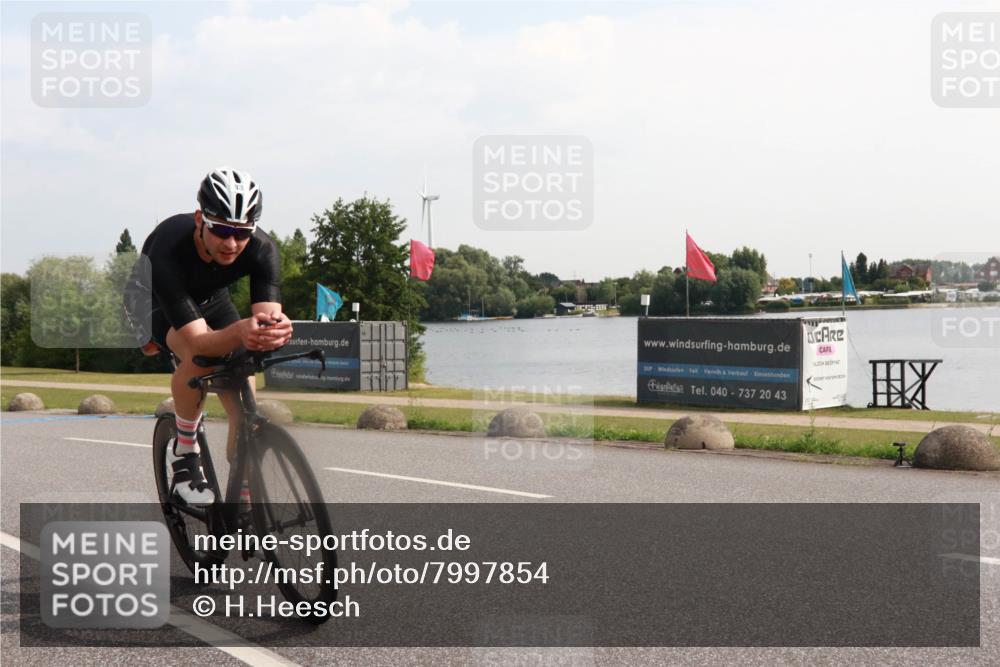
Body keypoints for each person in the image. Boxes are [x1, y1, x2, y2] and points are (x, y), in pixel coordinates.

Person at [135, 167, 293, 505]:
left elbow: (265, 319)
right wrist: (238, 332)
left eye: (242, 233)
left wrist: (276, 330)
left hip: (212, 299)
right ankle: (184, 455)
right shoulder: (167, 246)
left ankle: (245, 484)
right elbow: (197, 343)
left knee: (244, 380)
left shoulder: (263, 249)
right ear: (199, 219)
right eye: (221, 230)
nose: (232, 243)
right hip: (156, 298)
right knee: (201, 359)